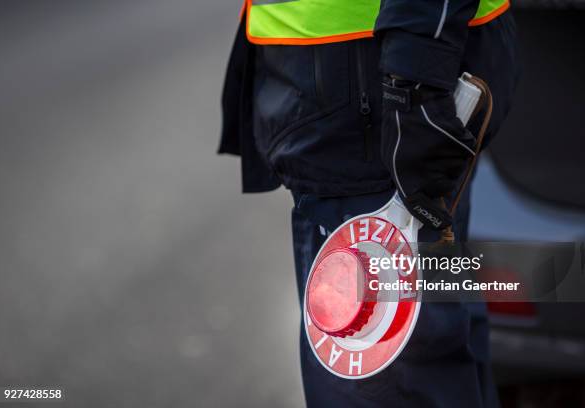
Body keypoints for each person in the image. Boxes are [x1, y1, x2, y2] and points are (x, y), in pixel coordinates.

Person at [220, 0, 519, 406]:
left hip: (375, 103)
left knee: (392, 379)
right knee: (436, 346)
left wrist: (414, 86)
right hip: (371, 94)